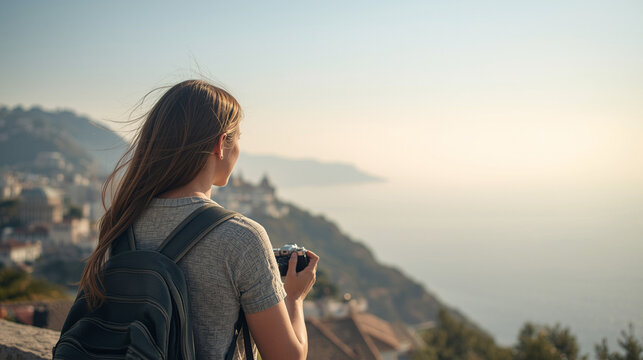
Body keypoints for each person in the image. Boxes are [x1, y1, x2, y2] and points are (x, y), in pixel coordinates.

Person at [78, 79, 318, 360]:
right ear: (220, 144)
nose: (238, 149)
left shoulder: (119, 223)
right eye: (237, 138)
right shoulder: (241, 237)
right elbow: (287, 357)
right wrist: (294, 297)